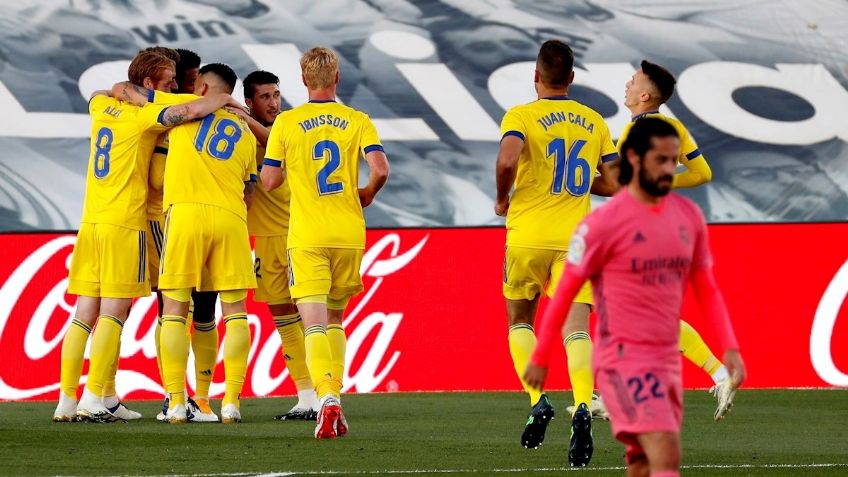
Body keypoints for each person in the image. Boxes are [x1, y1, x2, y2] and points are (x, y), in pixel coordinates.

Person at [525, 117, 746, 476]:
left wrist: (730, 350)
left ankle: (708, 376)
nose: (629, 85)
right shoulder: (602, 220)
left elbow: (707, 289)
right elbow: (565, 292)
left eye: (673, 162)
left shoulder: (681, 206)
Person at [54, 51, 238, 422]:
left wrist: (122, 88)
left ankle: (67, 400)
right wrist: (220, 98)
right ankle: (94, 398)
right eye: (168, 81)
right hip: (128, 221)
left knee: (84, 312)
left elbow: (99, 93)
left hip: (91, 222)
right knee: (115, 311)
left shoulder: (102, 106)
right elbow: (185, 113)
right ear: (149, 85)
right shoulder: (144, 117)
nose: (173, 87)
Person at [494, 39, 617, 464]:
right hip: (576, 241)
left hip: (528, 233)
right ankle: (583, 404)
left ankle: (537, 400)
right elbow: (616, 181)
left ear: (536, 76)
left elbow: (508, 160)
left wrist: (501, 196)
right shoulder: (593, 121)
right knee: (576, 329)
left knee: (520, 319)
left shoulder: (521, 115)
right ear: (571, 78)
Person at [261, 47, 389, 439]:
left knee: (311, 323)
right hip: (349, 233)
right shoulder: (357, 120)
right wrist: (366, 193)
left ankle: (327, 399)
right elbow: (381, 169)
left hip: (308, 235)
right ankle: (335, 397)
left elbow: (269, 182)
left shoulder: (287, 122)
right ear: (337, 79)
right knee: (335, 319)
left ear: (303, 81)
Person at [137, 63, 258, 424]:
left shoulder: (183, 115)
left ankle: (176, 402)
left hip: (186, 214)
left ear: (202, 88)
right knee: (235, 312)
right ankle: (231, 402)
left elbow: (140, 103)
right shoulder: (245, 131)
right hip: (232, 218)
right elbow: (250, 189)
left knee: (174, 310)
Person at [617, 59, 738, 419]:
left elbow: (623, 183)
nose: (627, 82)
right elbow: (702, 172)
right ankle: (718, 374)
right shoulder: (672, 125)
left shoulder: (634, 133)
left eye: (633, 79)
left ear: (643, 95)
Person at [232, 70, 319, 420]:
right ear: (250, 101)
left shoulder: (287, 127)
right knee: (285, 318)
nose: (273, 102)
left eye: (276, 95)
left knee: (311, 316)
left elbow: (272, 141)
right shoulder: (241, 133)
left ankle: (324, 391)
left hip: (300, 236)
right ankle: (308, 395)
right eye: (265, 97)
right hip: (268, 240)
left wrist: (241, 116)